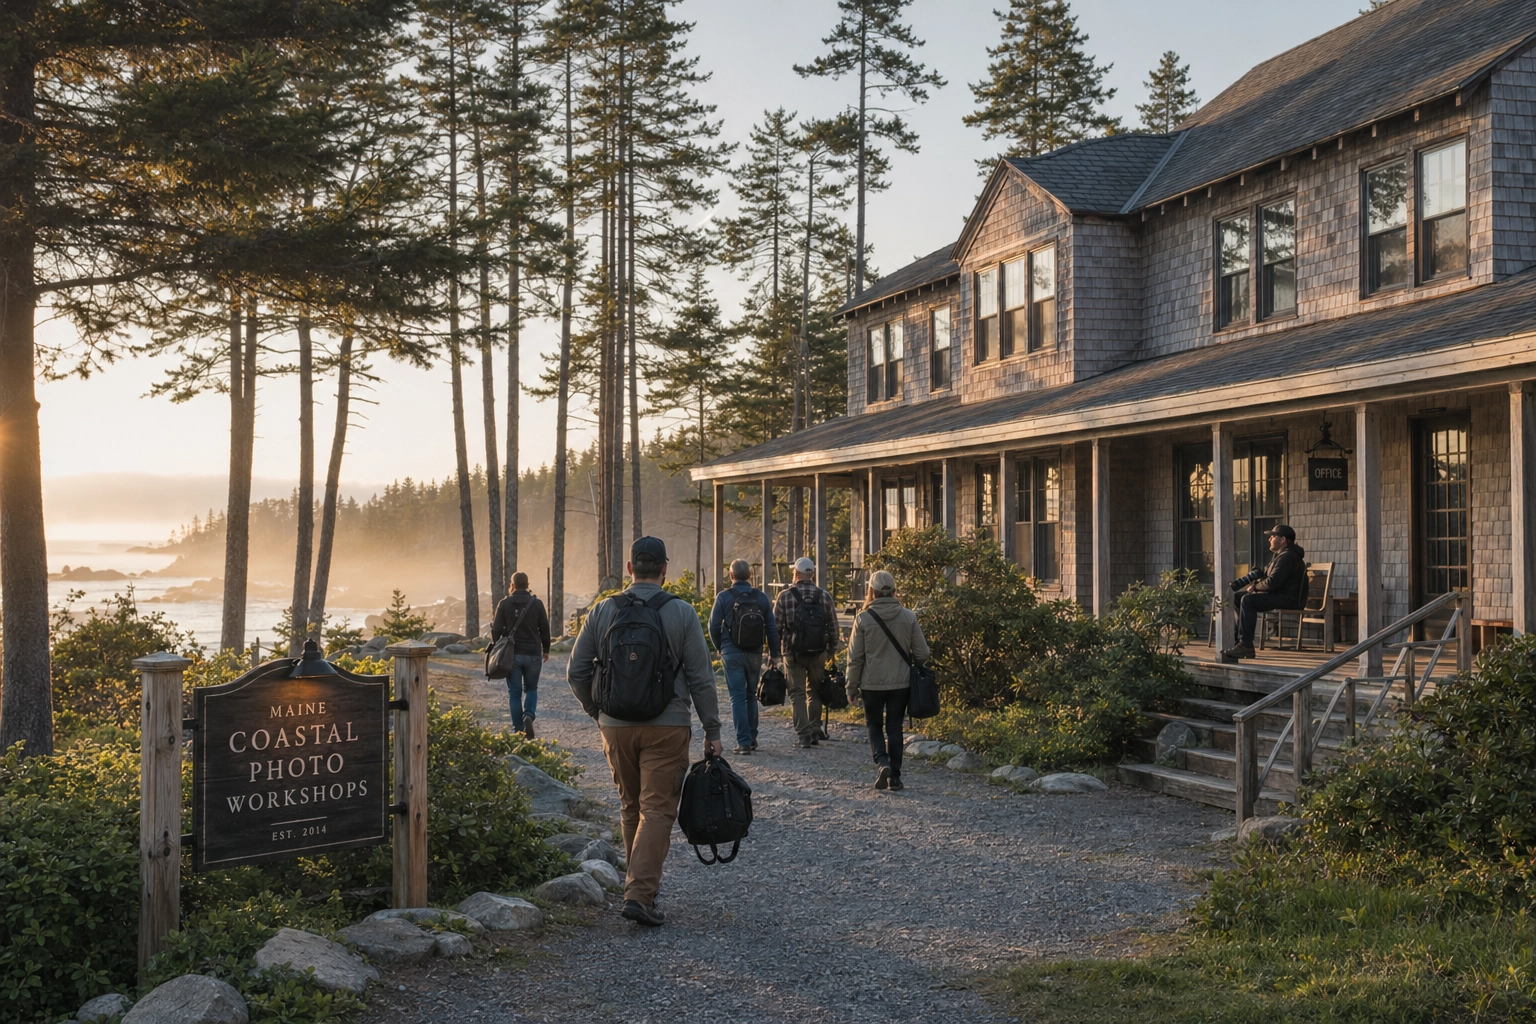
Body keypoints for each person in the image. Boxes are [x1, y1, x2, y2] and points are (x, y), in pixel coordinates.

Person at [567, 536, 722, 927]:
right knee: (657, 809)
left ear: (630, 569)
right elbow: (701, 678)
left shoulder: (603, 610)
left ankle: (639, 886)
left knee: (631, 806)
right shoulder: (682, 613)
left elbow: (576, 671)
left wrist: (596, 711)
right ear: (665, 569)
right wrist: (712, 729)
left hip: (615, 726)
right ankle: (639, 894)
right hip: (667, 725)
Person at [844, 570, 929, 791]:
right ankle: (896, 777)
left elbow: (855, 657)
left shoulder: (863, 619)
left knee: (874, 725)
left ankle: (882, 763)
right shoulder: (908, 616)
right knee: (894, 727)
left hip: (871, 683)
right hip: (900, 683)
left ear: (871, 591)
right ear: (894, 589)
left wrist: (851, 686)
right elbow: (922, 653)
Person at [708, 558, 780, 755]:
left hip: (731, 653)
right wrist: (775, 654)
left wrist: (720, 646)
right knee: (750, 696)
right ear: (749, 575)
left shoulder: (724, 597)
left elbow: (713, 625)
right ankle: (753, 737)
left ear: (731, 575)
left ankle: (743, 742)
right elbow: (772, 628)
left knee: (737, 697)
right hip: (755, 653)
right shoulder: (761, 597)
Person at [772, 556, 841, 749]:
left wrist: (774, 652)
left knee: (797, 693)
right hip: (818, 652)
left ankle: (803, 735)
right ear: (812, 574)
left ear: (795, 573)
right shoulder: (824, 596)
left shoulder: (785, 596)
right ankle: (815, 728)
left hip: (792, 652)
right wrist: (831, 649)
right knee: (815, 691)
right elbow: (834, 626)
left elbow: (775, 627)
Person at [1222, 524, 1307, 661]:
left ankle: (1246, 645)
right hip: (1280, 595)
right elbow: (1267, 574)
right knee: (1238, 597)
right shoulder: (1281, 556)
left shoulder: (1288, 557)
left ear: (1283, 539)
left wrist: (1255, 588)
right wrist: (1254, 578)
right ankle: (1238, 641)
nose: (1270, 539)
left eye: (1273, 536)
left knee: (1248, 600)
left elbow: (1272, 583)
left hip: (1288, 598)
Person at [490, 571, 551, 738]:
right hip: (533, 654)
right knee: (531, 689)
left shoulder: (504, 603)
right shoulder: (536, 604)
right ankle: (529, 716)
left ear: (512, 585)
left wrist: (497, 645)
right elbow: (544, 629)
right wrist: (546, 649)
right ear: (527, 584)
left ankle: (518, 731)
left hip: (512, 655)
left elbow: (496, 630)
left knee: (514, 693)